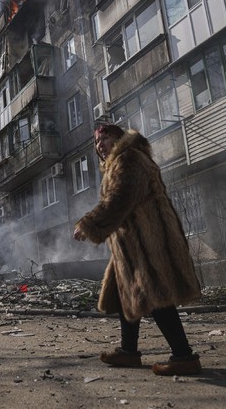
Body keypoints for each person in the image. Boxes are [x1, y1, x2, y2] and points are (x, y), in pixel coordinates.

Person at [73, 123, 202, 376]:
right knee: (125, 294)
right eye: (96, 143)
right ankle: (129, 352)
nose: (100, 146)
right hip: (133, 245)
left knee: (157, 295)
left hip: (149, 242)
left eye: (104, 139)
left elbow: (120, 199)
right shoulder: (118, 162)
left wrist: (88, 224)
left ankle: (184, 356)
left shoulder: (129, 158)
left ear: (117, 139)